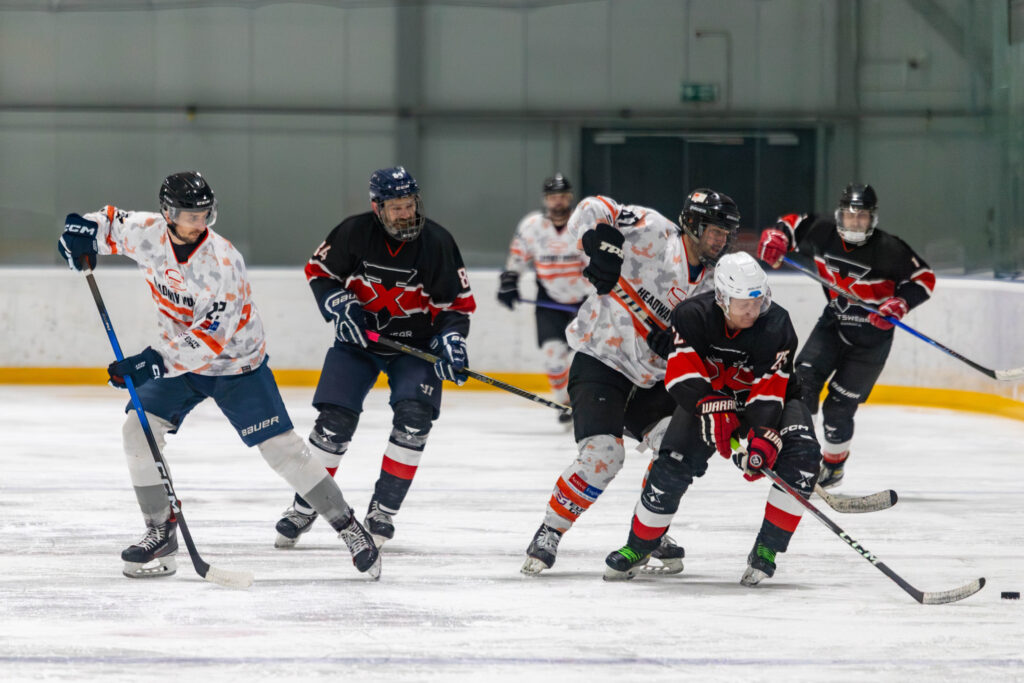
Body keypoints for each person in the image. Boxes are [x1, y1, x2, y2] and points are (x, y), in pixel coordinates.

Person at [56, 171, 381, 580]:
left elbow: (211, 339)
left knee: (282, 450)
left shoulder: (223, 261)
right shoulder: (147, 233)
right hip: (177, 362)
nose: (199, 224)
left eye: (205, 215)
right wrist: (79, 233)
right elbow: (106, 223)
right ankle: (160, 531)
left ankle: (348, 527)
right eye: (190, 216)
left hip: (235, 364)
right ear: (168, 213)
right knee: (137, 431)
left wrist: (150, 363)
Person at [521, 188, 739, 575]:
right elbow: (592, 208)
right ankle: (550, 530)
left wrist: (680, 344)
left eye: (726, 233)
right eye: (714, 231)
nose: (720, 240)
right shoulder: (652, 230)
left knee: (676, 448)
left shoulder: (713, 286)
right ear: (691, 224)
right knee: (603, 456)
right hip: (602, 359)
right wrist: (599, 243)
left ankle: (649, 530)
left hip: (653, 380)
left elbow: (709, 348)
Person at [273, 166, 476, 550]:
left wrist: (452, 338)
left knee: (414, 421)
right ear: (377, 208)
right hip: (358, 342)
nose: (405, 214)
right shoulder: (353, 232)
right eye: (396, 207)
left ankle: (383, 510)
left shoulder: (437, 242)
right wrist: (337, 302)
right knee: (333, 424)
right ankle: (306, 506)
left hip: (415, 348)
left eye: (409, 205)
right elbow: (319, 271)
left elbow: (456, 306)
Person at [603, 252, 821, 585]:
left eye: (758, 301)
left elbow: (770, 389)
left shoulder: (777, 323)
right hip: (711, 400)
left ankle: (767, 549)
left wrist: (762, 435)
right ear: (722, 298)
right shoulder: (692, 315)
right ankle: (639, 546)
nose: (752, 310)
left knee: (803, 456)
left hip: (773, 401)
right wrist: (709, 404)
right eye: (743, 303)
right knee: (673, 461)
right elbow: (681, 375)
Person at [757, 183, 935, 487]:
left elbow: (924, 278)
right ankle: (799, 456)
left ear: (872, 218)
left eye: (862, 216)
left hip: (871, 341)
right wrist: (778, 238)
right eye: (851, 215)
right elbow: (791, 224)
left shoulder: (890, 248)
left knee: (838, 408)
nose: (856, 222)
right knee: (802, 384)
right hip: (833, 326)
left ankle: (833, 468)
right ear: (841, 214)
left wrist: (900, 303)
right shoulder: (823, 231)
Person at [497, 173, 590, 424]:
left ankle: (588, 402)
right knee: (553, 355)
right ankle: (564, 403)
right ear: (545, 199)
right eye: (553, 197)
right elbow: (517, 257)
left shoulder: (583, 225)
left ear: (570, 197)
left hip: (584, 303)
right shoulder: (532, 226)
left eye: (562, 196)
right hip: (549, 301)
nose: (558, 201)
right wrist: (509, 282)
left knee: (585, 358)